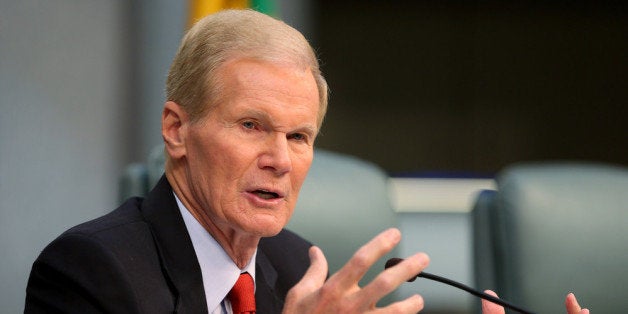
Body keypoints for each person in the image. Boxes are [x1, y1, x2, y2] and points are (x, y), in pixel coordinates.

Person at [25, 9, 589, 314]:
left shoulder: (299, 269)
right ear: (177, 130)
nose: (279, 160)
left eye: (299, 136)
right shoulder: (90, 272)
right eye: (252, 126)